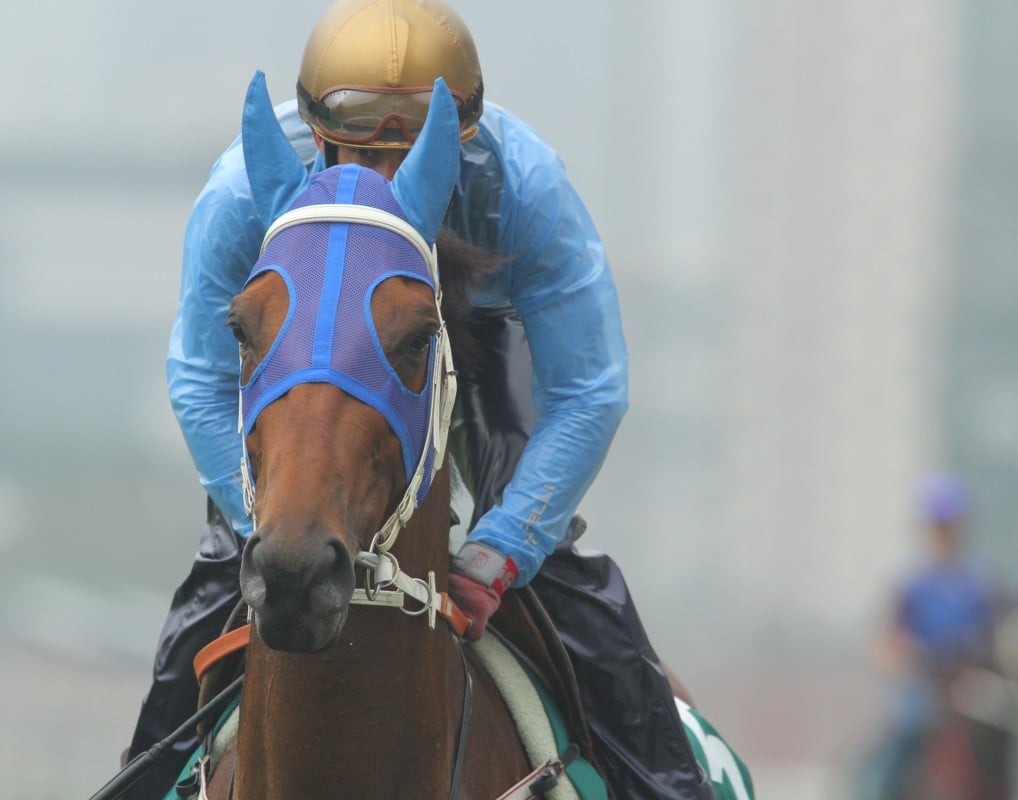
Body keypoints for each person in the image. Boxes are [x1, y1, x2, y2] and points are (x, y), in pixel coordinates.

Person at [123, 1, 713, 797]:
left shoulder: (525, 185)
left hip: (478, 341)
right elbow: (199, 377)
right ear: (317, 132)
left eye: (413, 153)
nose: (389, 175)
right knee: (214, 602)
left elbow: (588, 391)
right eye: (367, 146)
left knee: (578, 608)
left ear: (461, 140)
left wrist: (499, 552)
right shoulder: (241, 193)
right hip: (313, 402)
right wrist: (261, 511)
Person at [860, 472, 998, 799]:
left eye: (950, 525)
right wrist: (911, 660)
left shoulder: (981, 584)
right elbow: (884, 647)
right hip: (919, 705)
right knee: (885, 775)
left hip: (970, 700)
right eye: (938, 526)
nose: (944, 534)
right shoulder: (910, 584)